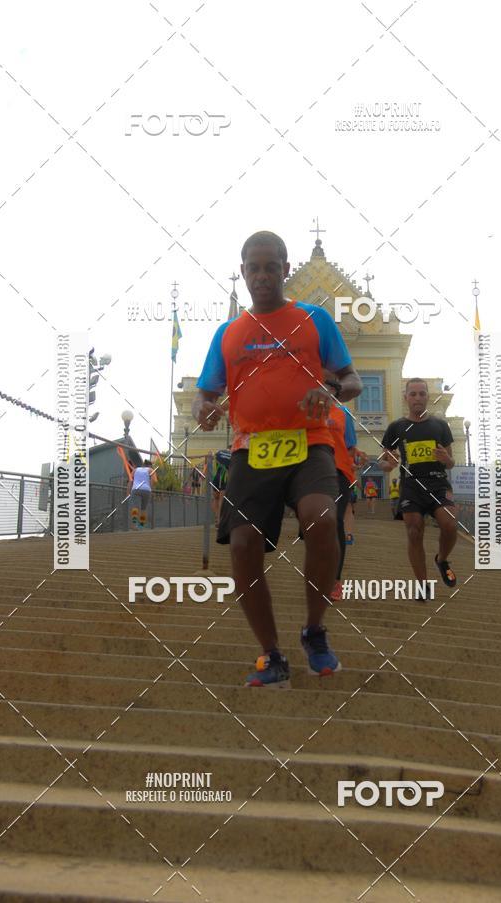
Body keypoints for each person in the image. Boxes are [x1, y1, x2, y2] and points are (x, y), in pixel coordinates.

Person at [192, 230, 362, 687]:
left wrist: (326, 390)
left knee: (323, 519)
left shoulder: (314, 319)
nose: (263, 275)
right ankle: (271, 654)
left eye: (272, 266)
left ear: (286, 270)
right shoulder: (228, 334)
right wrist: (204, 408)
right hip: (252, 449)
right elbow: (204, 393)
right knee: (243, 546)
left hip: (310, 442)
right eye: (254, 267)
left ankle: (314, 631)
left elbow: (352, 380)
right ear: (243, 271)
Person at [381, 378, 458, 597]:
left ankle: (441, 559)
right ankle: (423, 585)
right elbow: (383, 463)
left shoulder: (440, 426)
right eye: (413, 394)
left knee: (450, 524)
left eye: (422, 393)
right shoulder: (396, 427)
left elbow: (451, 462)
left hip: (437, 483)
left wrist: (446, 459)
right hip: (411, 486)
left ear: (427, 397)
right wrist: (390, 464)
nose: (417, 398)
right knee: (414, 531)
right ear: (406, 397)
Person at [321, 382, 368, 601]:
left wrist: (355, 457)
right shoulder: (301, 410)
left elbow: (349, 447)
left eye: (329, 386)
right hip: (311, 472)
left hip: (339, 471)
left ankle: (334, 580)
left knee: (335, 520)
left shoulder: (342, 413)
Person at [128, 459, 156, 529]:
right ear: (150, 465)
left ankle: (134, 525)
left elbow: (130, 481)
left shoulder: (135, 470)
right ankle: (141, 525)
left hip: (136, 489)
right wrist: (150, 489)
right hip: (146, 490)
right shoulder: (151, 470)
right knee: (144, 509)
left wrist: (128, 492)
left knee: (135, 508)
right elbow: (154, 480)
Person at [212, 446, 232, 524]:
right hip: (224, 477)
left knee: (216, 498)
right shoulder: (233, 456)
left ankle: (217, 517)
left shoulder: (218, 453)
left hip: (216, 477)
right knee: (221, 498)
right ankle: (220, 520)